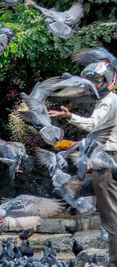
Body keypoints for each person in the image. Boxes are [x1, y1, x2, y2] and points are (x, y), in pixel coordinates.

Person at [49, 61, 117, 266]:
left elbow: (94, 124)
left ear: (109, 80)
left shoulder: (109, 101)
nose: (95, 86)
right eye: (92, 82)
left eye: (98, 81)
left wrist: (70, 117)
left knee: (111, 217)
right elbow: (106, 136)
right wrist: (74, 145)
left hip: (106, 164)